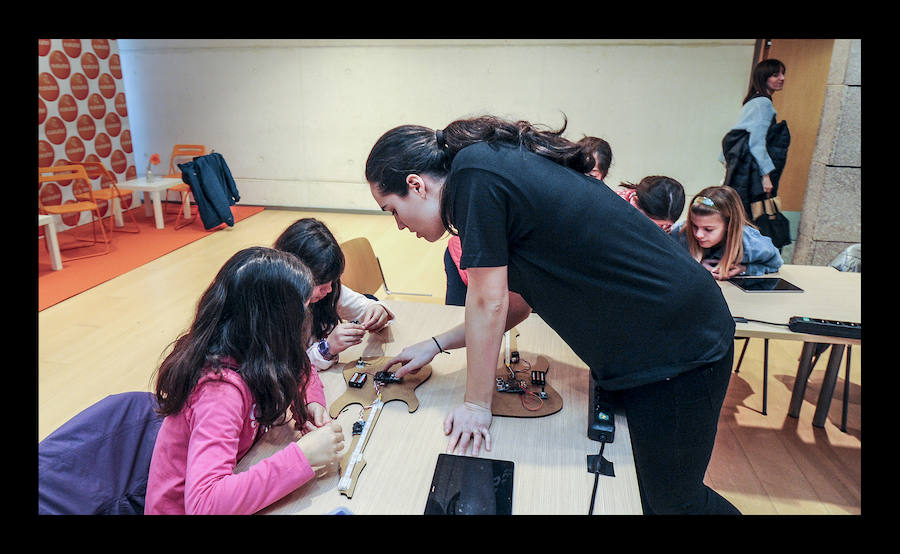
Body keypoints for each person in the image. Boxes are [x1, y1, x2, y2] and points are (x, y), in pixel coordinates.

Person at [365, 115, 740, 514]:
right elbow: (517, 304)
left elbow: (487, 303)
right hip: (669, 337)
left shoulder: (473, 178)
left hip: (683, 345)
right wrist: (436, 344)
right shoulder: (482, 170)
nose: (400, 225)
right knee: (646, 490)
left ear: (416, 185)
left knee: (675, 504)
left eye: (392, 210)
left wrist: (476, 404)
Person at [145, 247, 344, 515]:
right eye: (303, 310)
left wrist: (311, 402)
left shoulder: (255, 353)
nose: (306, 319)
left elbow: (299, 368)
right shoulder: (219, 390)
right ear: (275, 324)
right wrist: (302, 458)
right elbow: (205, 505)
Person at [443, 134, 615, 306]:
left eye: (592, 175)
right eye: (577, 171)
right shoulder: (551, 195)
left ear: (604, 176)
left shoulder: (604, 211)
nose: (582, 178)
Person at [273, 218, 395, 370]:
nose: (329, 289)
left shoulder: (328, 291)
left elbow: (364, 306)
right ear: (291, 274)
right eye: (320, 282)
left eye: (332, 280)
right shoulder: (273, 312)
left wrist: (377, 311)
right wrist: (327, 348)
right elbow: (284, 370)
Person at [721, 58, 789, 219]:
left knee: (737, 212)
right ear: (763, 78)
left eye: (782, 74)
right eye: (775, 75)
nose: (782, 78)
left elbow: (734, 135)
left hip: (743, 169)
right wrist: (766, 176)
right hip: (753, 173)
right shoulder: (763, 104)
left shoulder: (752, 101)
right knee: (752, 216)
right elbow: (757, 142)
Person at [670, 186, 783, 280]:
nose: (699, 234)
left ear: (729, 225)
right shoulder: (680, 232)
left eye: (708, 229)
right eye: (694, 226)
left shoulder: (751, 243)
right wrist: (695, 267)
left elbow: (775, 264)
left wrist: (744, 269)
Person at [615, 175, 686, 233]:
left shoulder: (667, 224)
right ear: (635, 202)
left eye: (662, 224)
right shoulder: (615, 204)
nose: (657, 227)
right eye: (649, 223)